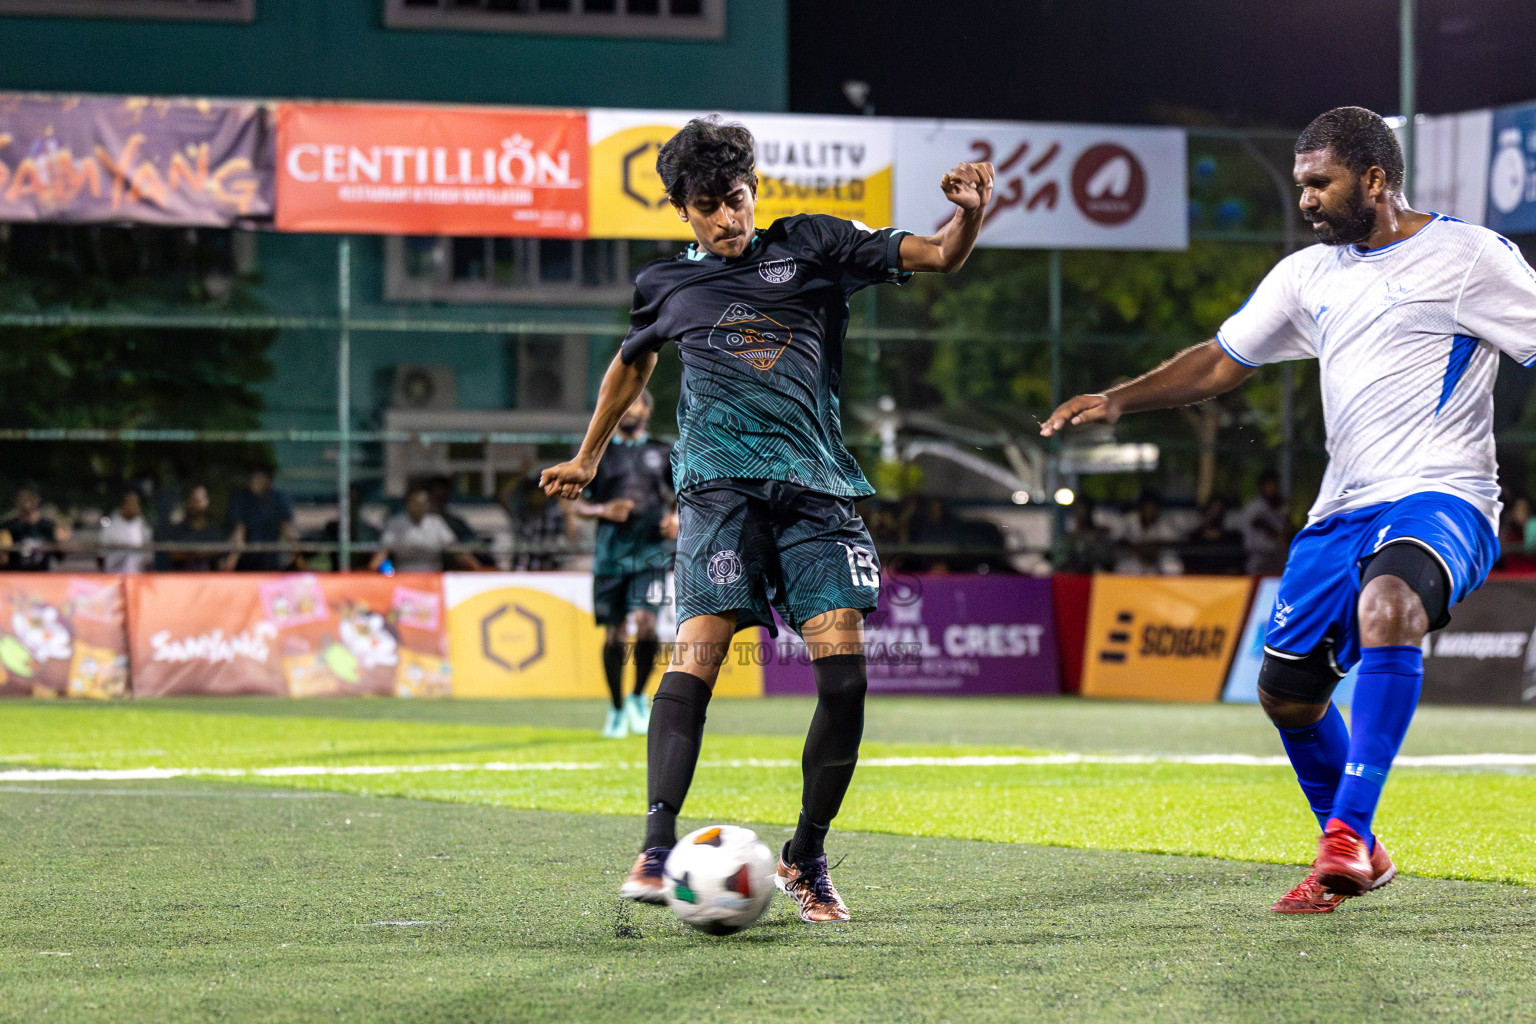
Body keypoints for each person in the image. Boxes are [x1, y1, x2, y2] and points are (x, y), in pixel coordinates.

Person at [1043, 106, 1534, 915]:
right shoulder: (1309, 274)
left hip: (1445, 494)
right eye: (1301, 183)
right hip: (1340, 510)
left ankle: (1344, 836)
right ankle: (1362, 852)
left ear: (1375, 179)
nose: (1304, 199)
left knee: (1390, 606)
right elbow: (1220, 360)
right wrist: (1118, 400)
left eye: (1319, 182)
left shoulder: (1471, 256)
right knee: (1287, 696)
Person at [541, 116, 991, 923]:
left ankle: (805, 856)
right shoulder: (665, 284)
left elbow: (938, 254)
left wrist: (969, 215)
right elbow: (631, 359)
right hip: (719, 492)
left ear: (755, 192)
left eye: (737, 199)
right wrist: (585, 456)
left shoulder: (815, 244)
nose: (727, 218)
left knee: (845, 679)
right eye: (708, 206)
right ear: (682, 208)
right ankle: (655, 846)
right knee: (698, 656)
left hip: (817, 492)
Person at [571, 390, 678, 739]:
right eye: (624, 404)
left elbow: (687, 496)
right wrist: (603, 509)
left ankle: (637, 697)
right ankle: (616, 707)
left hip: (652, 553)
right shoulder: (599, 454)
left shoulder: (664, 452)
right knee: (614, 633)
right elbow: (576, 504)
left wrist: (677, 517)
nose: (629, 410)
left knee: (646, 623)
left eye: (635, 403)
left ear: (647, 408)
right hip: (610, 556)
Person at [370, 485, 479, 573]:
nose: (420, 507)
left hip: (432, 576)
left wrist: (478, 568)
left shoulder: (436, 522)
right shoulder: (396, 523)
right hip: (404, 575)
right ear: (408, 504)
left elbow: (456, 549)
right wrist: (371, 570)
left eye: (423, 503)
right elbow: (383, 553)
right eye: (416, 503)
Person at [224, 467, 301, 572]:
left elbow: (288, 532)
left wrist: (301, 563)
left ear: (269, 480)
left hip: (271, 562)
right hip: (245, 564)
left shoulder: (279, 498)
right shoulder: (240, 499)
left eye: (261, 478)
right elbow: (239, 534)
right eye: (254, 478)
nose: (257, 482)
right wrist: (230, 564)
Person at [1114, 490, 1184, 575]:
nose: (1150, 510)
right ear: (1141, 507)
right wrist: (1136, 547)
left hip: (1158, 558)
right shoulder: (1129, 519)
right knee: (1123, 566)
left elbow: (1174, 542)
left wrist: (1153, 547)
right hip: (1134, 557)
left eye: (1153, 507)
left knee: (1173, 567)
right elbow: (1116, 539)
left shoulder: (1164, 522)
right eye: (1147, 506)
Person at [426, 475, 490, 568]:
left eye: (443, 497)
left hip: (454, 564)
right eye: (437, 497)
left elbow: (469, 542)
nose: (439, 501)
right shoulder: (423, 521)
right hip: (427, 565)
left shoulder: (455, 522)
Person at [161, 485, 227, 571]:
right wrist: (203, 552)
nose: (198, 505)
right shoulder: (178, 528)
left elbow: (222, 549)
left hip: (208, 579)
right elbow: (173, 553)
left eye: (201, 500)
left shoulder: (214, 528)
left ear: (207, 502)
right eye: (195, 500)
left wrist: (191, 552)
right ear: (188, 502)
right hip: (183, 578)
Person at [2, 482, 65, 572]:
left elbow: (60, 557)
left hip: (40, 578)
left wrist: (61, 542)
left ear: (37, 500)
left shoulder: (48, 526)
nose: (26, 503)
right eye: (23, 498)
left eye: (30, 498)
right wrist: (4, 549)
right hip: (15, 578)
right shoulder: (9, 527)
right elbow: (3, 561)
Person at [1182, 495, 1245, 575]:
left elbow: (1237, 567)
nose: (1215, 514)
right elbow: (1188, 566)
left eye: (1219, 510)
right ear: (1206, 511)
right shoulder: (1194, 538)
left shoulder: (1233, 539)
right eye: (1212, 510)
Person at [1242, 468, 1290, 575]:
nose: (1273, 489)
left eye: (1275, 485)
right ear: (1261, 487)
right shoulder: (1255, 507)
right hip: (1258, 560)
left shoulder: (1276, 507)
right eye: (1270, 485)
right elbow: (1258, 527)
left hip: (1277, 561)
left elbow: (1283, 533)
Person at [98, 489, 153, 574]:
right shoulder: (111, 525)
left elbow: (148, 558)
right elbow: (101, 556)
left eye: (135, 503)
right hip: (114, 575)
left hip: (137, 577)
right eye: (130, 503)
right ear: (123, 505)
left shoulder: (143, 525)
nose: (133, 506)